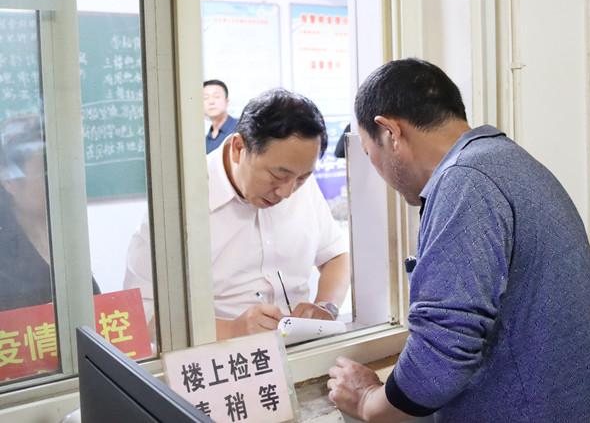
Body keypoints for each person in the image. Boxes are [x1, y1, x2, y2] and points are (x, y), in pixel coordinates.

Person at [327, 59, 590, 422]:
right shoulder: (508, 161)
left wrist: (367, 400)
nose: (379, 171)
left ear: (390, 132)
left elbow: (440, 358)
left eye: (370, 154)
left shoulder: (464, 182)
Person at [124, 89, 350, 340]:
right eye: (277, 176)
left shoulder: (297, 180)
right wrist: (231, 330)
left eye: (302, 178)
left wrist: (325, 306)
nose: (287, 192)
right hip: (220, 357)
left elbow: (336, 256)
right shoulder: (179, 200)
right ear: (238, 148)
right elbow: (137, 313)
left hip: (300, 349)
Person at [0, 115, 100, 311]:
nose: (62, 183)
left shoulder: (63, 240)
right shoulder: (5, 256)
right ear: (9, 181)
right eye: (46, 172)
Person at [203, 79, 238, 154]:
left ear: (227, 101)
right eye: (205, 98)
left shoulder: (240, 127)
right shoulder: (205, 140)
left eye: (216, 96)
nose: (211, 102)